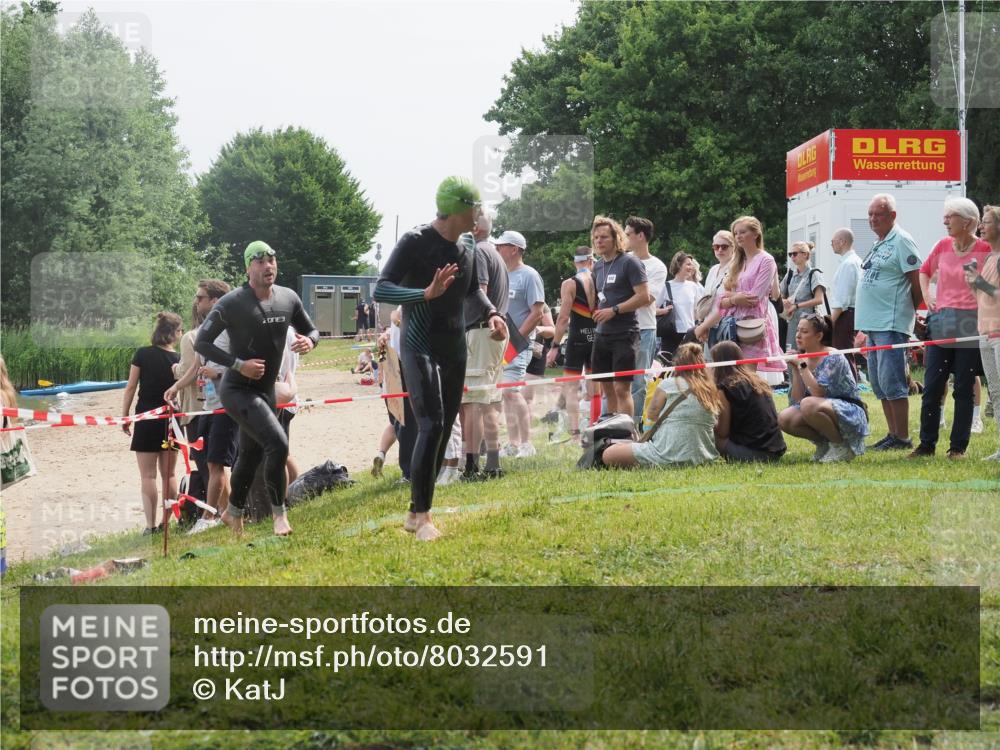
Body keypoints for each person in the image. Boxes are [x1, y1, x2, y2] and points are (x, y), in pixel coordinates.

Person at [373, 177, 506, 541]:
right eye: (475, 208)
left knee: (444, 428)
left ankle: (416, 512)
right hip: (419, 343)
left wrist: (494, 314)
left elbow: (472, 295)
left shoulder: (469, 246)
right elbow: (381, 287)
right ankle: (424, 516)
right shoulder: (416, 242)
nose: (479, 215)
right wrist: (424, 293)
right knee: (430, 425)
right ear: (459, 209)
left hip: (454, 346)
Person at [195, 241, 319, 537]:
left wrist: (310, 342)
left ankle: (233, 512)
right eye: (260, 261)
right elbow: (202, 342)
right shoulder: (232, 303)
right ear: (248, 267)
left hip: (266, 390)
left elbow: (312, 329)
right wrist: (238, 364)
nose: (268, 266)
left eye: (272, 260)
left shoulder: (288, 298)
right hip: (237, 389)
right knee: (277, 444)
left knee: (249, 456)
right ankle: (279, 515)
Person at [909, 198, 991, 459]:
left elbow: (995, 290)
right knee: (933, 385)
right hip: (941, 321)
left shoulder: (986, 249)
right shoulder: (942, 245)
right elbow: (924, 270)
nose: (944, 221)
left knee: (963, 387)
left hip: (970, 322)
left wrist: (978, 283)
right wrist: (928, 297)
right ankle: (926, 444)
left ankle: (958, 448)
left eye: (950, 216)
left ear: (967, 222)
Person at [165, 279, 234, 534]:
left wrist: (217, 374)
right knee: (211, 465)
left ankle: (209, 517)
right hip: (207, 405)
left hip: (227, 405)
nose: (196, 302)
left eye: (200, 297)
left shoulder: (231, 330)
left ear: (215, 301)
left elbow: (242, 365)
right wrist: (177, 386)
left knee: (215, 464)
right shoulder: (206, 332)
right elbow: (195, 367)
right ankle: (229, 513)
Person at [856, 193, 923, 451]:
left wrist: (911, 313)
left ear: (892, 216)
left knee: (892, 380)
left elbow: (916, 281)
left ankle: (903, 437)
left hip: (890, 322)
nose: (873, 219)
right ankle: (892, 434)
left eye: (878, 214)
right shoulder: (879, 242)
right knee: (878, 382)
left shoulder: (902, 241)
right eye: (870, 215)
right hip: (873, 323)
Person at [694, 216, 786, 384]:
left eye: (743, 232)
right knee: (728, 376)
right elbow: (722, 299)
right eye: (736, 233)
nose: (738, 236)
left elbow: (754, 298)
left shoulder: (766, 260)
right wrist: (735, 299)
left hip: (751, 326)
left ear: (756, 234)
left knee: (747, 378)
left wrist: (731, 299)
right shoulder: (738, 261)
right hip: (731, 326)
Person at [601, 343, 720, 468]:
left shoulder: (668, 384)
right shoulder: (710, 388)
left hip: (665, 452)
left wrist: (647, 434)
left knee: (608, 454)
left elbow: (652, 415)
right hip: (704, 456)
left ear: (676, 364)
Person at [778, 314, 870, 462]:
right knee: (784, 418)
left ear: (819, 336)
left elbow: (818, 393)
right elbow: (797, 399)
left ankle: (841, 447)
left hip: (850, 411)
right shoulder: (803, 358)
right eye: (797, 331)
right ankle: (825, 445)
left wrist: (802, 365)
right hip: (820, 407)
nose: (798, 336)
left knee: (808, 404)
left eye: (804, 332)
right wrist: (795, 368)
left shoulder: (832, 356)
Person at [459, 210, 509, 480]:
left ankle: (471, 466)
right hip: (492, 334)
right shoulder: (495, 253)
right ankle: (492, 463)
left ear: (475, 227)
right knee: (488, 401)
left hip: (481, 331)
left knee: (474, 403)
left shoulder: (478, 252)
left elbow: (480, 291)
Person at [122, 312, 182, 535]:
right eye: (180, 330)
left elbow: (130, 387)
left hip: (146, 418)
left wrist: (125, 415)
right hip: (170, 419)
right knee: (170, 474)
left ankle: (150, 525)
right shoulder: (178, 360)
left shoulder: (142, 354)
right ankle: (167, 523)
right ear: (174, 333)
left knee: (147, 476)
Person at [591, 215, 651, 417]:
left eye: (604, 237)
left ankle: (625, 433)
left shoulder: (630, 262)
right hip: (601, 335)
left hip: (625, 334)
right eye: (596, 237)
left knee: (621, 389)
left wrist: (614, 310)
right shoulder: (598, 266)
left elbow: (643, 297)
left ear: (616, 238)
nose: (599, 241)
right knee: (607, 389)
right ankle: (610, 431)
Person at [496, 229, 545, 458]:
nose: (497, 249)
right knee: (506, 394)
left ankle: (527, 443)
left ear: (514, 249)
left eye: (501, 246)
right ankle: (513, 443)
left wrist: (515, 340)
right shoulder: (501, 275)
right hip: (501, 345)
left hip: (520, 344)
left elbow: (537, 312)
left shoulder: (529, 275)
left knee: (512, 392)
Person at [547, 246, 598, 439]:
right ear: (591, 261)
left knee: (571, 388)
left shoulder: (570, 283)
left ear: (575, 262)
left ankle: (575, 434)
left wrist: (554, 346)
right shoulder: (598, 278)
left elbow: (563, 319)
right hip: (596, 338)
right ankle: (595, 426)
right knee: (595, 387)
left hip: (577, 340)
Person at [710, 341, 787, 462]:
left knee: (709, 433)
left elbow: (722, 432)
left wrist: (709, 423)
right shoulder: (758, 381)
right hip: (776, 450)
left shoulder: (724, 388)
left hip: (753, 453)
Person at [625, 217, 667, 425]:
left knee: (638, 382)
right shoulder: (621, 260)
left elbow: (647, 299)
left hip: (644, 329)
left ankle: (633, 427)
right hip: (618, 329)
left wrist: (617, 305)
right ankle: (613, 424)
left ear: (640, 236)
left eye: (628, 234)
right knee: (615, 379)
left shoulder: (657, 266)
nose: (624, 238)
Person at [966, 203, 1000, 460]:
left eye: (986, 222)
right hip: (985, 333)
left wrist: (979, 282)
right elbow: (984, 297)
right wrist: (973, 282)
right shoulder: (989, 257)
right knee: (996, 392)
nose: (981, 227)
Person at [779, 241, 827, 352]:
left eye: (794, 254)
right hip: (792, 322)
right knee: (791, 352)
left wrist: (797, 305)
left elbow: (819, 299)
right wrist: (784, 300)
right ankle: (792, 370)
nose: (792, 257)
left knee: (807, 353)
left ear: (805, 254)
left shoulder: (814, 274)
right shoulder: (790, 274)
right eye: (790, 254)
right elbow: (779, 294)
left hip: (809, 323)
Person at [828, 228, 863, 378]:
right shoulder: (853, 261)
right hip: (849, 314)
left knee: (843, 354)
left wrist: (829, 321)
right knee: (843, 354)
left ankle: (851, 391)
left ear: (842, 242)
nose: (831, 244)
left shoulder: (849, 264)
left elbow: (842, 299)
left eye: (833, 241)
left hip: (845, 315)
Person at [657, 251, 705, 357]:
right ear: (678, 265)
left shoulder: (693, 287)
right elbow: (651, 309)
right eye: (688, 264)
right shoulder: (666, 286)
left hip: (690, 333)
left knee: (690, 367)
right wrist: (663, 311)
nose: (691, 267)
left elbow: (698, 311)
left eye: (691, 265)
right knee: (669, 368)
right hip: (671, 334)